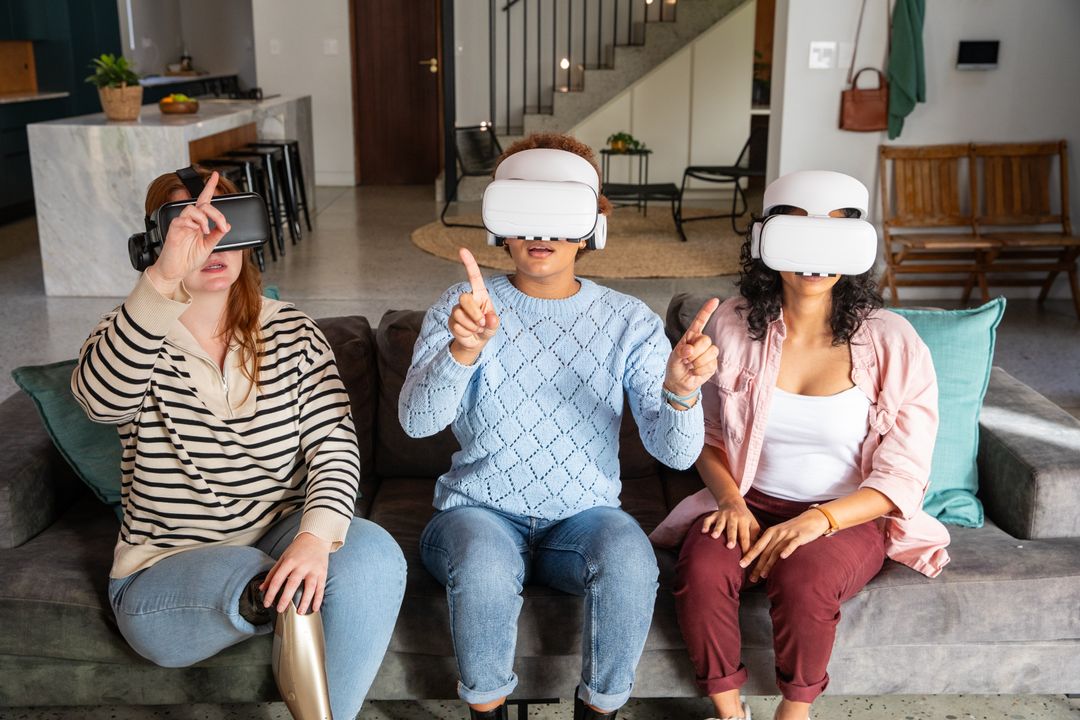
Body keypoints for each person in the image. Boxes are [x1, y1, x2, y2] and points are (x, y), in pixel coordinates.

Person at [398, 133, 719, 720]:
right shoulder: (462, 305)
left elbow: (675, 455)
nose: (541, 233)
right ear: (500, 220)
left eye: (560, 215)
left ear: (593, 226)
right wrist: (461, 352)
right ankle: (486, 714)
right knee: (485, 566)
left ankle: (599, 712)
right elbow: (418, 423)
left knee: (630, 559)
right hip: (477, 513)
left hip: (584, 518)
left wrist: (681, 390)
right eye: (525, 213)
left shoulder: (629, 322)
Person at [72, 166, 406, 719]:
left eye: (227, 226)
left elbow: (335, 445)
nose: (212, 243)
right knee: (269, 585)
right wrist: (161, 280)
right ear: (156, 240)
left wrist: (314, 540)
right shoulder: (128, 330)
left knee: (373, 552)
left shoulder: (293, 330)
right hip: (169, 565)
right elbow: (100, 403)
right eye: (191, 227)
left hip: (279, 539)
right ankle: (272, 596)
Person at [650, 170, 951, 720]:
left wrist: (820, 522)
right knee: (700, 570)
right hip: (748, 498)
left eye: (834, 235)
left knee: (805, 575)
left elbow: (904, 473)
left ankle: (796, 711)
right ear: (767, 242)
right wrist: (731, 500)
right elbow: (705, 437)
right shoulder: (730, 326)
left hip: (847, 514)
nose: (814, 256)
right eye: (798, 234)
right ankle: (729, 711)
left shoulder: (892, 341)